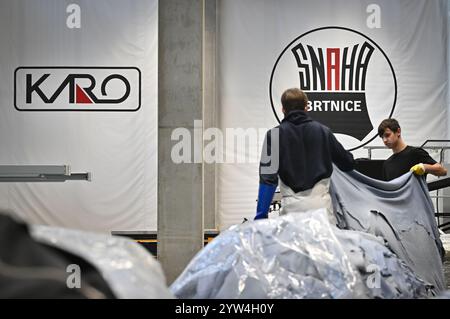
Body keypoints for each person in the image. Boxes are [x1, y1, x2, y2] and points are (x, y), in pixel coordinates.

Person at [255, 88, 355, 223]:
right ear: (306, 107)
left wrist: (261, 216)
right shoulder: (324, 132)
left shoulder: (273, 136)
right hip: (322, 212)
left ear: (283, 109)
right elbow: (347, 163)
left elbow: (267, 178)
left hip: (291, 212)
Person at [377, 118, 447, 181]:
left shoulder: (415, 153)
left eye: (387, 135)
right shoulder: (387, 164)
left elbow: (443, 171)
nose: (385, 140)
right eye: (382, 137)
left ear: (398, 131)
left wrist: (424, 167)